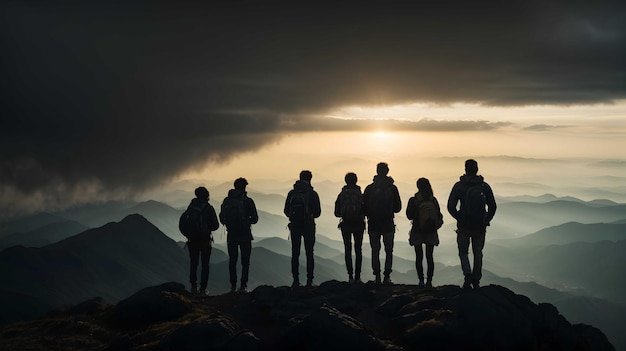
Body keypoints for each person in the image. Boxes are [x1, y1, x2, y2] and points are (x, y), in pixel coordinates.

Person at [447, 159, 497, 290]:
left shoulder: (459, 186)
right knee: (478, 252)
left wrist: (459, 217)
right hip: (479, 226)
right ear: (477, 169)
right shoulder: (484, 186)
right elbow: (493, 206)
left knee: (463, 251)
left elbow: (450, 206)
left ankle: (467, 274)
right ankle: (476, 279)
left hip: (464, 226)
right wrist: (486, 221)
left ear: (465, 169)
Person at [363, 162, 402, 284]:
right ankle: (387, 275)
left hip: (373, 224)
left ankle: (377, 276)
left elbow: (363, 207)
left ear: (377, 171)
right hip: (388, 224)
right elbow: (398, 208)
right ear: (387, 172)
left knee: (375, 250)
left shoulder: (370, 188)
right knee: (388, 250)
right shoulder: (392, 188)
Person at [219, 177, 259, 293]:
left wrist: (230, 224)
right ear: (244, 187)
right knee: (245, 261)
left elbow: (222, 218)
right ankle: (243, 286)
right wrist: (247, 221)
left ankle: (232, 286)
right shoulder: (248, 201)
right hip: (245, 234)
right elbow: (255, 219)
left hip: (231, 234)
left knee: (233, 260)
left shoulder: (227, 201)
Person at [284, 170, 321, 288]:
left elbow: (286, 210)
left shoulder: (292, 193)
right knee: (310, 253)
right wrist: (309, 215)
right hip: (309, 226)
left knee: (295, 253)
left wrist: (294, 217)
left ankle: (295, 280)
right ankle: (309, 281)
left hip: (295, 226)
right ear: (310, 179)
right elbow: (318, 212)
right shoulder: (312, 194)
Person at [406, 178, 443, 288]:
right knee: (429, 256)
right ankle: (429, 281)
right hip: (431, 231)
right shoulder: (433, 200)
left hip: (417, 230)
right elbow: (439, 215)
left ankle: (421, 280)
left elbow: (409, 215)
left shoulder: (414, 200)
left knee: (419, 256)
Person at [185, 186, 219, 295]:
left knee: (193, 263)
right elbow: (216, 225)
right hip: (205, 240)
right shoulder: (208, 208)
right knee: (205, 265)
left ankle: (193, 287)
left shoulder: (191, 207)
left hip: (192, 240)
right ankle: (203, 289)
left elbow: (185, 222)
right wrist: (207, 227)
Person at [334, 172, 365, 283]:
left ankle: (350, 276)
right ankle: (357, 276)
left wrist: (345, 213)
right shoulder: (360, 194)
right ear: (356, 181)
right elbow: (365, 209)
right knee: (358, 250)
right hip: (358, 225)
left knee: (348, 250)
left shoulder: (342, 195)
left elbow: (336, 213)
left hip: (346, 225)